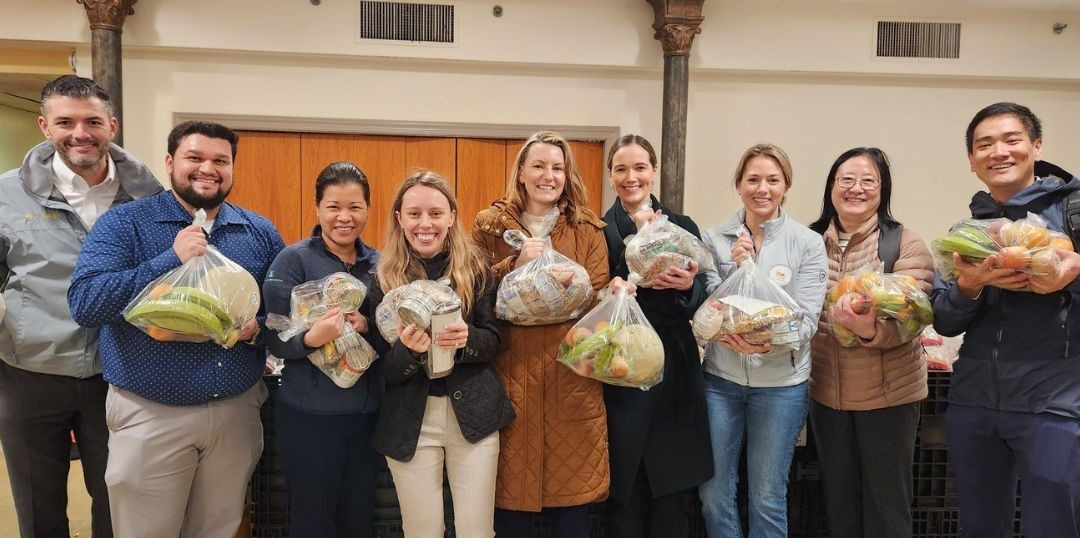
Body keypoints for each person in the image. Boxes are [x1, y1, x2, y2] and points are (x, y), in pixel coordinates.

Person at [68, 121, 285, 538]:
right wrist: (169, 259)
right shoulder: (126, 224)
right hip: (150, 411)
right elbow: (86, 302)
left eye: (220, 160)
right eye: (195, 158)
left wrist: (255, 327)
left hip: (234, 412)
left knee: (218, 528)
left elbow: (282, 313)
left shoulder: (258, 232)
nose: (208, 168)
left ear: (232, 168)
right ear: (170, 163)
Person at [0, 74, 161, 538]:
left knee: (118, 501)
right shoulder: (7, 194)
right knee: (38, 507)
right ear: (44, 126)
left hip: (117, 375)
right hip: (30, 372)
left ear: (112, 124)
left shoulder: (147, 197)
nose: (80, 133)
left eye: (92, 121)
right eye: (65, 122)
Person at [931, 102, 1080, 537]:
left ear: (1036, 146)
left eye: (1011, 140)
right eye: (984, 145)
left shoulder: (1072, 211)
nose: (999, 151)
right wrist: (969, 286)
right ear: (972, 161)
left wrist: (1068, 277)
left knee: (1053, 526)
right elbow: (944, 320)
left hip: (1053, 401)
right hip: (974, 400)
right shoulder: (969, 229)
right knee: (978, 526)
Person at [471, 131, 610, 538]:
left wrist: (601, 291)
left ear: (567, 175)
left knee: (573, 514)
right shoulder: (490, 225)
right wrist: (514, 264)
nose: (548, 175)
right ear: (521, 172)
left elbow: (596, 298)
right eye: (539, 165)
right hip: (509, 375)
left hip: (571, 378)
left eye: (557, 167)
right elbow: (472, 288)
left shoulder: (586, 228)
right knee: (509, 509)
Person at [369, 170, 515, 538]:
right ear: (399, 218)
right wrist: (407, 352)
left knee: (476, 531)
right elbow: (380, 368)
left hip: (474, 417)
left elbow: (495, 341)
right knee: (422, 531)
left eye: (436, 213)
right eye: (414, 213)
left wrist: (467, 340)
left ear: (452, 216)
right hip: (410, 422)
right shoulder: (382, 278)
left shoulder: (476, 268)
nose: (425, 224)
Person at [697, 143, 827, 538]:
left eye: (773, 180)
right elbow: (706, 313)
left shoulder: (807, 243)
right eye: (752, 179)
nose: (762, 188)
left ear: (786, 186)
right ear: (738, 185)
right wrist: (736, 268)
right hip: (721, 381)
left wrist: (767, 342)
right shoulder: (715, 238)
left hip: (781, 387)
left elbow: (806, 322)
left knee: (767, 494)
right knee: (714, 492)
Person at [807, 147, 933, 537]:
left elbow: (916, 316)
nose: (855, 189)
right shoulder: (808, 241)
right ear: (831, 187)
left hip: (889, 398)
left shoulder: (904, 243)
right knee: (839, 502)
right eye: (846, 179)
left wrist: (866, 329)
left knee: (886, 505)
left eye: (868, 181)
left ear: (883, 189)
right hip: (826, 396)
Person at [600, 134, 713, 538]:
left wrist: (686, 287)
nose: (631, 177)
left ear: (654, 171)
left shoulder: (681, 226)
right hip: (619, 368)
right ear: (611, 176)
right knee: (623, 492)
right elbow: (585, 299)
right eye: (621, 169)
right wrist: (607, 292)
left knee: (673, 497)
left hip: (673, 364)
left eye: (640, 168)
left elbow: (703, 298)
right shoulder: (599, 230)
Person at [262, 161, 381, 537]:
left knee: (359, 518)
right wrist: (312, 338)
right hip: (309, 417)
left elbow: (390, 333)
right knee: (313, 521)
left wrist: (368, 326)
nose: (344, 217)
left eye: (354, 207)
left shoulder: (379, 264)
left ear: (367, 209)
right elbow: (273, 335)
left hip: (367, 417)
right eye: (333, 207)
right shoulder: (293, 260)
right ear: (317, 209)